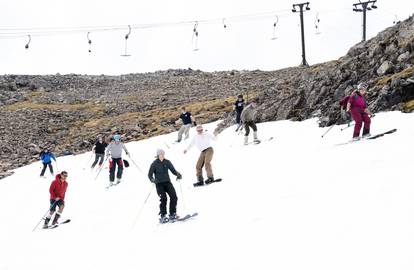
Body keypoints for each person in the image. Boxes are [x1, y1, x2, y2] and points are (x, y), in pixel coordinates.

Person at [148, 149, 182, 223]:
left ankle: (172, 213)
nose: (163, 155)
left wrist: (178, 174)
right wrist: (152, 180)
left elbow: (173, 170)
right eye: (161, 154)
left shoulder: (167, 162)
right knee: (164, 198)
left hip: (167, 182)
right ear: (158, 155)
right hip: (159, 184)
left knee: (174, 196)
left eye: (163, 154)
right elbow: (149, 175)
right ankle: (163, 215)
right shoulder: (154, 164)